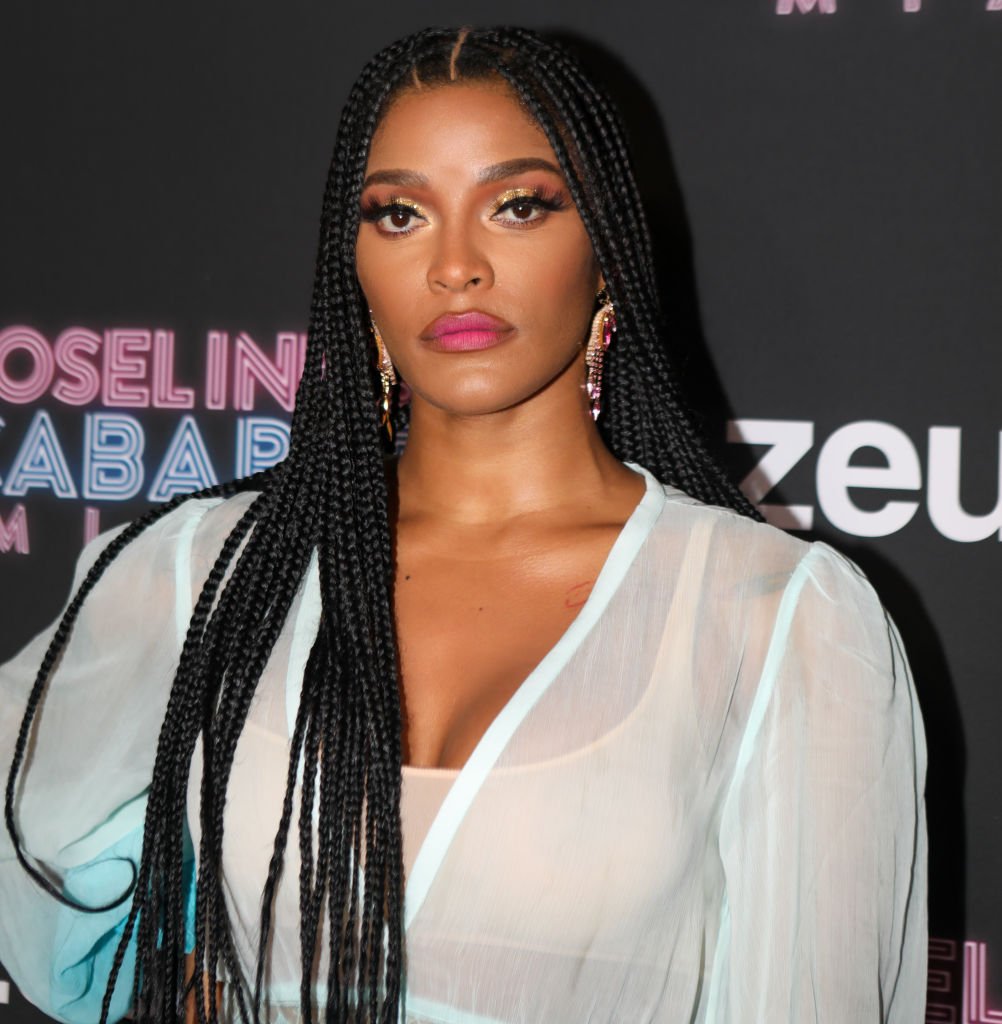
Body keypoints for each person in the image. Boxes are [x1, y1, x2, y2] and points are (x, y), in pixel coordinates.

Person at [0, 23, 927, 1024]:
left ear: (607, 247)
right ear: (351, 263)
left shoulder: (775, 623)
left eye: (518, 205)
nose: (455, 266)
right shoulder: (205, 571)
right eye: (399, 214)